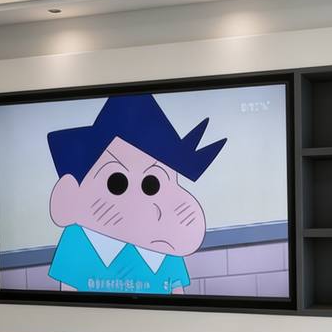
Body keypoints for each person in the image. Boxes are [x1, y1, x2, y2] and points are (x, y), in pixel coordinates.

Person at [46, 94, 226, 294]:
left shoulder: (165, 241)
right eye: (116, 183)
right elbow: (69, 293)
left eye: (152, 184)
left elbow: (176, 292)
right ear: (71, 191)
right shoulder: (77, 237)